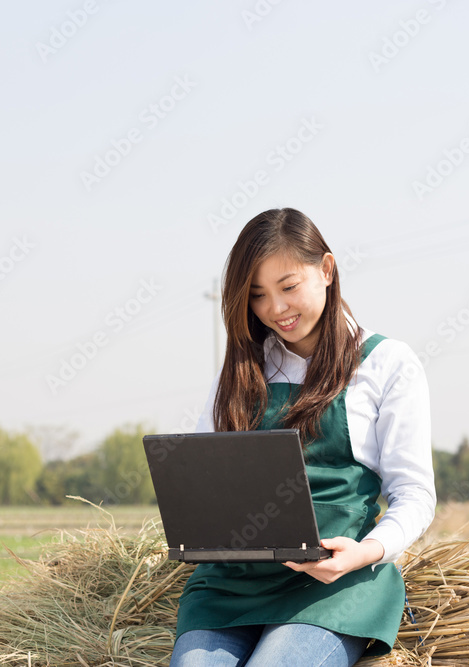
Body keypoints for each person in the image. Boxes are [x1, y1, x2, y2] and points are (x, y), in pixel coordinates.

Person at [169, 208, 436, 667]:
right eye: (257, 295)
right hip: (230, 585)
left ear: (327, 270)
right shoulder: (238, 371)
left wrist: (363, 553)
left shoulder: (386, 363)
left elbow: (415, 494)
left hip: (335, 584)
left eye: (288, 287)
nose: (276, 309)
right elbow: (204, 473)